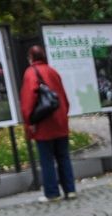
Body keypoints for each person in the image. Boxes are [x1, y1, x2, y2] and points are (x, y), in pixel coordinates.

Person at [21, 45, 76, 202]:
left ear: (31, 58)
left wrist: (29, 121)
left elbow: (28, 100)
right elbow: (63, 97)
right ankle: (70, 190)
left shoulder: (30, 73)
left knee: (47, 160)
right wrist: (63, 114)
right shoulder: (52, 71)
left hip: (44, 124)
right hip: (60, 121)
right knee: (63, 156)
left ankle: (52, 193)